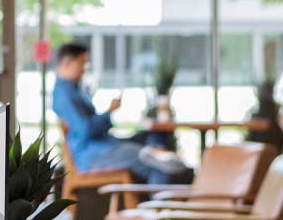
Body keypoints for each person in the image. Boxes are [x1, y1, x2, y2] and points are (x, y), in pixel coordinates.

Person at [51, 42, 189, 184]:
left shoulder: (75, 90)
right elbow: (86, 129)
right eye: (82, 63)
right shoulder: (64, 94)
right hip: (93, 154)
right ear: (67, 62)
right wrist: (109, 111)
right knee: (154, 164)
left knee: (150, 138)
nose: (84, 69)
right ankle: (154, 161)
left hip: (105, 145)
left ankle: (155, 154)